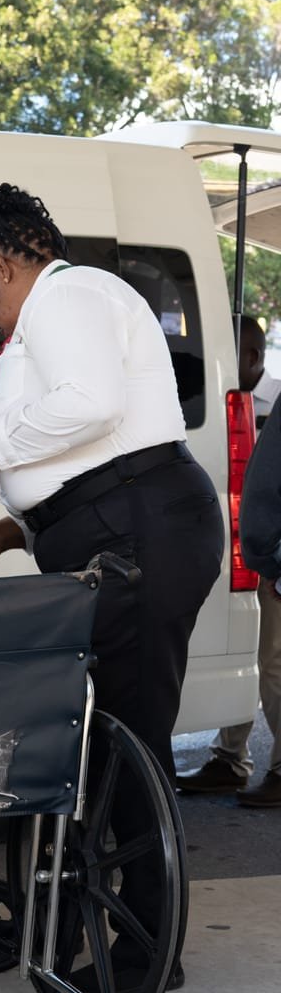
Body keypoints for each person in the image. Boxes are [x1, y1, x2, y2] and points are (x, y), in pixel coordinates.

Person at [0, 183, 225, 993]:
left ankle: (143, 954)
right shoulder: (64, 310)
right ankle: (83, 923)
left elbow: (92, 410)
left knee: (126, 741)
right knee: (102, 738)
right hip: (122, 522)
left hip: (137, 527)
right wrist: (11, 529)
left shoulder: (66, 296)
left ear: (1, 263)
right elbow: (76, 464)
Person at [177, 316, 281, 806]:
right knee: (247, 651)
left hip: (269, 552)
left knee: (272, 662)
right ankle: (230, 756)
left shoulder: (266, 401)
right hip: (248, 544)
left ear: (256, 357)